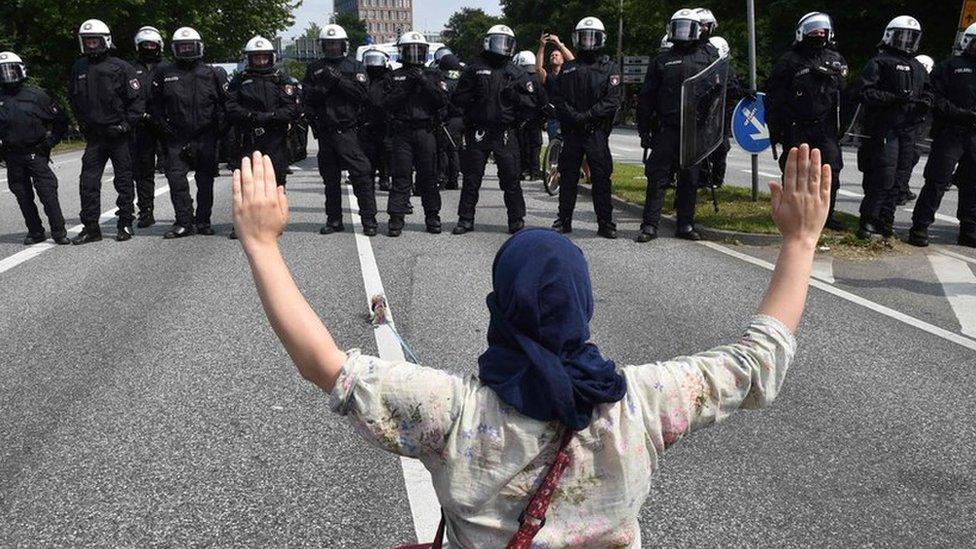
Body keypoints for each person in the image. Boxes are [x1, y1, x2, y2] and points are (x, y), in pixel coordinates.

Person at [230, 143, 828, 545]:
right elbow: (758, 358)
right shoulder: (641, 404)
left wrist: (261, 244)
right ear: (585, 306)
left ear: (498, 309)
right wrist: (799, 241)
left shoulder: (453, 412)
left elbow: (325, 364)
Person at [636, 9, 715, 242]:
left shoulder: (707, 58)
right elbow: (647, 97)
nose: (682, 33)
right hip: (667, 128)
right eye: (678, 27)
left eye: (686, 27)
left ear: (697, 30)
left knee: (690, 179)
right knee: (657, 177)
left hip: (694, 129)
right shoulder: (662, 60)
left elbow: (720, 89)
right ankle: (650, 225)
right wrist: (644, 129)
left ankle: (685, 225)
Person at [765, 12, 848, 232]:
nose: (819, 35)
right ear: (803, 33)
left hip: (826, 128)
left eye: (823, 32)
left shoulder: (835, 58)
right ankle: (791, 213)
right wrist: (776, 129)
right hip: (797, 126)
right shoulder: (789, 61)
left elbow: (845, 93)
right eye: (814, 31)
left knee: (831, 171)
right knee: (795, 171)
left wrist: (842, 127)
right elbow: (774, 98)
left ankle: (826, 216)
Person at [451, 25, 537, 235]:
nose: (503, 47)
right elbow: (458, 99)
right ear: (489, 42)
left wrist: (515, 98)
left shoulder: (516, 73)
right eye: (499, 42)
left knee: (511, 178)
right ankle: (465, 219)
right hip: (478, 130)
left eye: (507, 43)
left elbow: (532, 103)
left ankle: (516, 219)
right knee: (472, 178)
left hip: (505, 132)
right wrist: (473, 100)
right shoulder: (474, 69)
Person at [69, 19, 144, 245]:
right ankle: (91, 227)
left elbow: (137, 101)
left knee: (123, 181)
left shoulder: (121, 67)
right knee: (88, 183)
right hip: (95, 137)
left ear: (106, 41)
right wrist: (82, 124)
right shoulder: (79, 67)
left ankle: (125, 223)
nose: (91, 45)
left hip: (119, 134)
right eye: (87, 41)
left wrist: (126, 125)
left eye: (95, 41)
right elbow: (74, 99)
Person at [855, 16, 931, 240]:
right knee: (883, 175)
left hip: (908, 129)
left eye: (911, 37)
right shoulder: (879, 62)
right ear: (890, 36)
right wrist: (892, 98)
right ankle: (869, 219)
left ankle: (886, 219)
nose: (906, 41)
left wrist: (926, 100)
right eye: (902, 36)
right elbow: (865, 92)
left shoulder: (917, 66)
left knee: (901, 178)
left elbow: (929, 89)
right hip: (885, 128)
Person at [151, 26, 227, 239]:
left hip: (205, 136)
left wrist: (218, 130)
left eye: (189, 46)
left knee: (205, 181)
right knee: (176, 179)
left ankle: (203, 221)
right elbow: (154, 104)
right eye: (181, 47)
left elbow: (226, 104)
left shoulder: (212, 73)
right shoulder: (164, 73)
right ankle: (184, 221)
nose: (185, 50)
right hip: (175, 137)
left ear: (199, 47)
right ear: (174, 49)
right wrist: (162, 126)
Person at [549, 16, 622, 239]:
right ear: (577, 39)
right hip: (573, 133)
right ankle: (564, 219)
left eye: (593, 38)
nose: (588, 42)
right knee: (568, 177)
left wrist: (588, 116)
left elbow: (612, 100)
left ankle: (605, 223)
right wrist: (575, 117)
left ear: (601, 39)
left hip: (596, 132)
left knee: (601, 179)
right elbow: (559, 99)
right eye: (584, 37)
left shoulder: (610, 68)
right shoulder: (569, 68)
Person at [303, 24, 378, 237]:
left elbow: (363, 95)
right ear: (322, 46)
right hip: (327, 132)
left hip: (350, 131)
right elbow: (307, 99)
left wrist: (338, 81)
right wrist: (323, 87)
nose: (332, 48)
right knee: (330, 179)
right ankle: (334, 220)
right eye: (328, 44)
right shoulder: (314, 68)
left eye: (336, 44)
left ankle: (369, 220)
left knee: (362, 176)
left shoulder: (355, 67)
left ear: (344, 45)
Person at [225, 35, 300, 240]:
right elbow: (231, 107)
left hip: (275, 138)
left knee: (277, 179)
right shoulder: (239, 81)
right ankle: (241, 224)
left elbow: (291, 108)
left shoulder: (281, 79)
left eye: (263, 57)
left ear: (271, 58)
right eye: (255, 58)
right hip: (248, 137)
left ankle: (276, 220)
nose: (259, 61)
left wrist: (271, 117)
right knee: (246, 181)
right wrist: (251, 116)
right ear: (248, 59)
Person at [908, 22, 976, 248]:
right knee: (937, 180)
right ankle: (920, 226)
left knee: (972, 183)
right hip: (951, 132)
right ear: (968, 41)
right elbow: (936, 99)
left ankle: (969, 230)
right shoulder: (950, 67)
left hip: (974, 136)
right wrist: (961, 114)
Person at [381, 31, 448, 236]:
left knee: (428, 176)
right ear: (402, 52)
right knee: (401, 176)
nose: (414, 55)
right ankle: (396, 218)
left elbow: (442, 101)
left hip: (426, 131)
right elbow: (386, 104)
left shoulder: (433, 75)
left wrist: (424, 82)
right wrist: (407, 87)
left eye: (418, 51)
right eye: (410, 51)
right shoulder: (394, 75)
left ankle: (432, 217)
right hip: (402, 132)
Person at [0, 51, 71, 245]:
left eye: (11, 71)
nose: (7, 76)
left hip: (36, 153)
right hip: (12, 155)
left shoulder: (37, 95)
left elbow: (61, 120)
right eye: (2, 72)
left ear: (21, 70)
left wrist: (50, 142)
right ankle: (35, 231)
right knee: (22, 196)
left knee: (47, 193)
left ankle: (59, 231)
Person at [131, 26, 165, 229]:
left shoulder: (168, 67)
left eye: (152, 45)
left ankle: (185, 215)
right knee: (143, 172)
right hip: (141, 125)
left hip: (165, 124)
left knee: (176, 171)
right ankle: (146, 212)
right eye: (145, 45)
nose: (149, 48)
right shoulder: (129, 69)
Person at [895, 53, 935, 206]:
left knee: (911, 157)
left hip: (919, 124)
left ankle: (902, 187)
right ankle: (900, 189)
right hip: (909, 124)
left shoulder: (928, 82)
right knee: (906, 157)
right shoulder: (910, 77)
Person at [359, 47, 393, 192]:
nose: (373, 64)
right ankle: (369, 180)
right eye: (370, 60)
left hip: (385, 122)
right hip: (367, 122)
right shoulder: (363, 78)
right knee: (368, 154)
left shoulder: (388, 78)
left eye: (376, 60)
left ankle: (385, 177)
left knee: (385, 152)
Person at [513, 50, 547, 182]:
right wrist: (544, 117)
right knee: (535, 145)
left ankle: (522, 170)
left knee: (521, 145)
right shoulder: (538, 79)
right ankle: (534, 171)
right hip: (535, 117)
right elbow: (543, 99)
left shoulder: (516, 78)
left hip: (520, 117)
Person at [435, 52, 464, 190]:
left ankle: (445, 177)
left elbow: (443, 103)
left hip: (449, 120)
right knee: (454, 149)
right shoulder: (462, 80)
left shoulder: (445, 83)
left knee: (445, 150)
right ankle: (453, 178)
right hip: (461, 119)